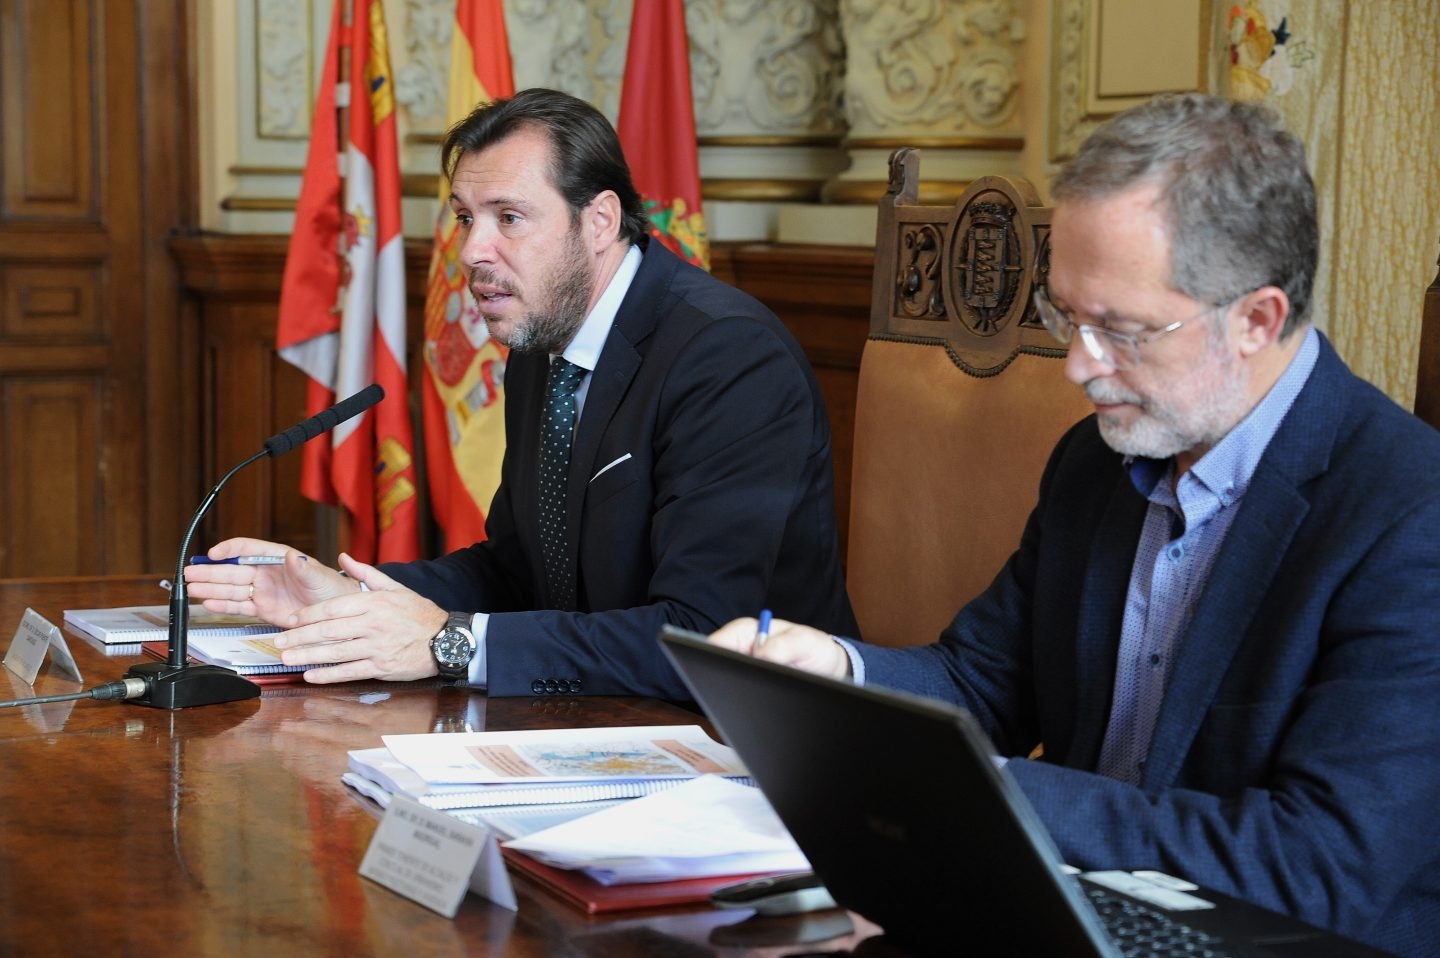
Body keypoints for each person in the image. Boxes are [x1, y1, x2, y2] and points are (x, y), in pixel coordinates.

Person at [709, 93, 1440, 956]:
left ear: (1257, 319)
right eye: (1068, 317)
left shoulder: (1407, 514)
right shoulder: (1095, 463)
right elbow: (985, 682)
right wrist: (835, 667)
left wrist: (990, 793)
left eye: (1121, 331)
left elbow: (1316, 866)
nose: (1080, 368)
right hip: (1075, 917)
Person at [187, 88, 856, 700]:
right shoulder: (545, 342)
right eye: (465, 218)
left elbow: (700, 634)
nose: (473, 251)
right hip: (598, 716)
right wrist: (353, 595)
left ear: (599, 221)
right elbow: (517, 571)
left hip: (751, 739)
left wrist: (452, 645)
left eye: (509, 218)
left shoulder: (728, 355)